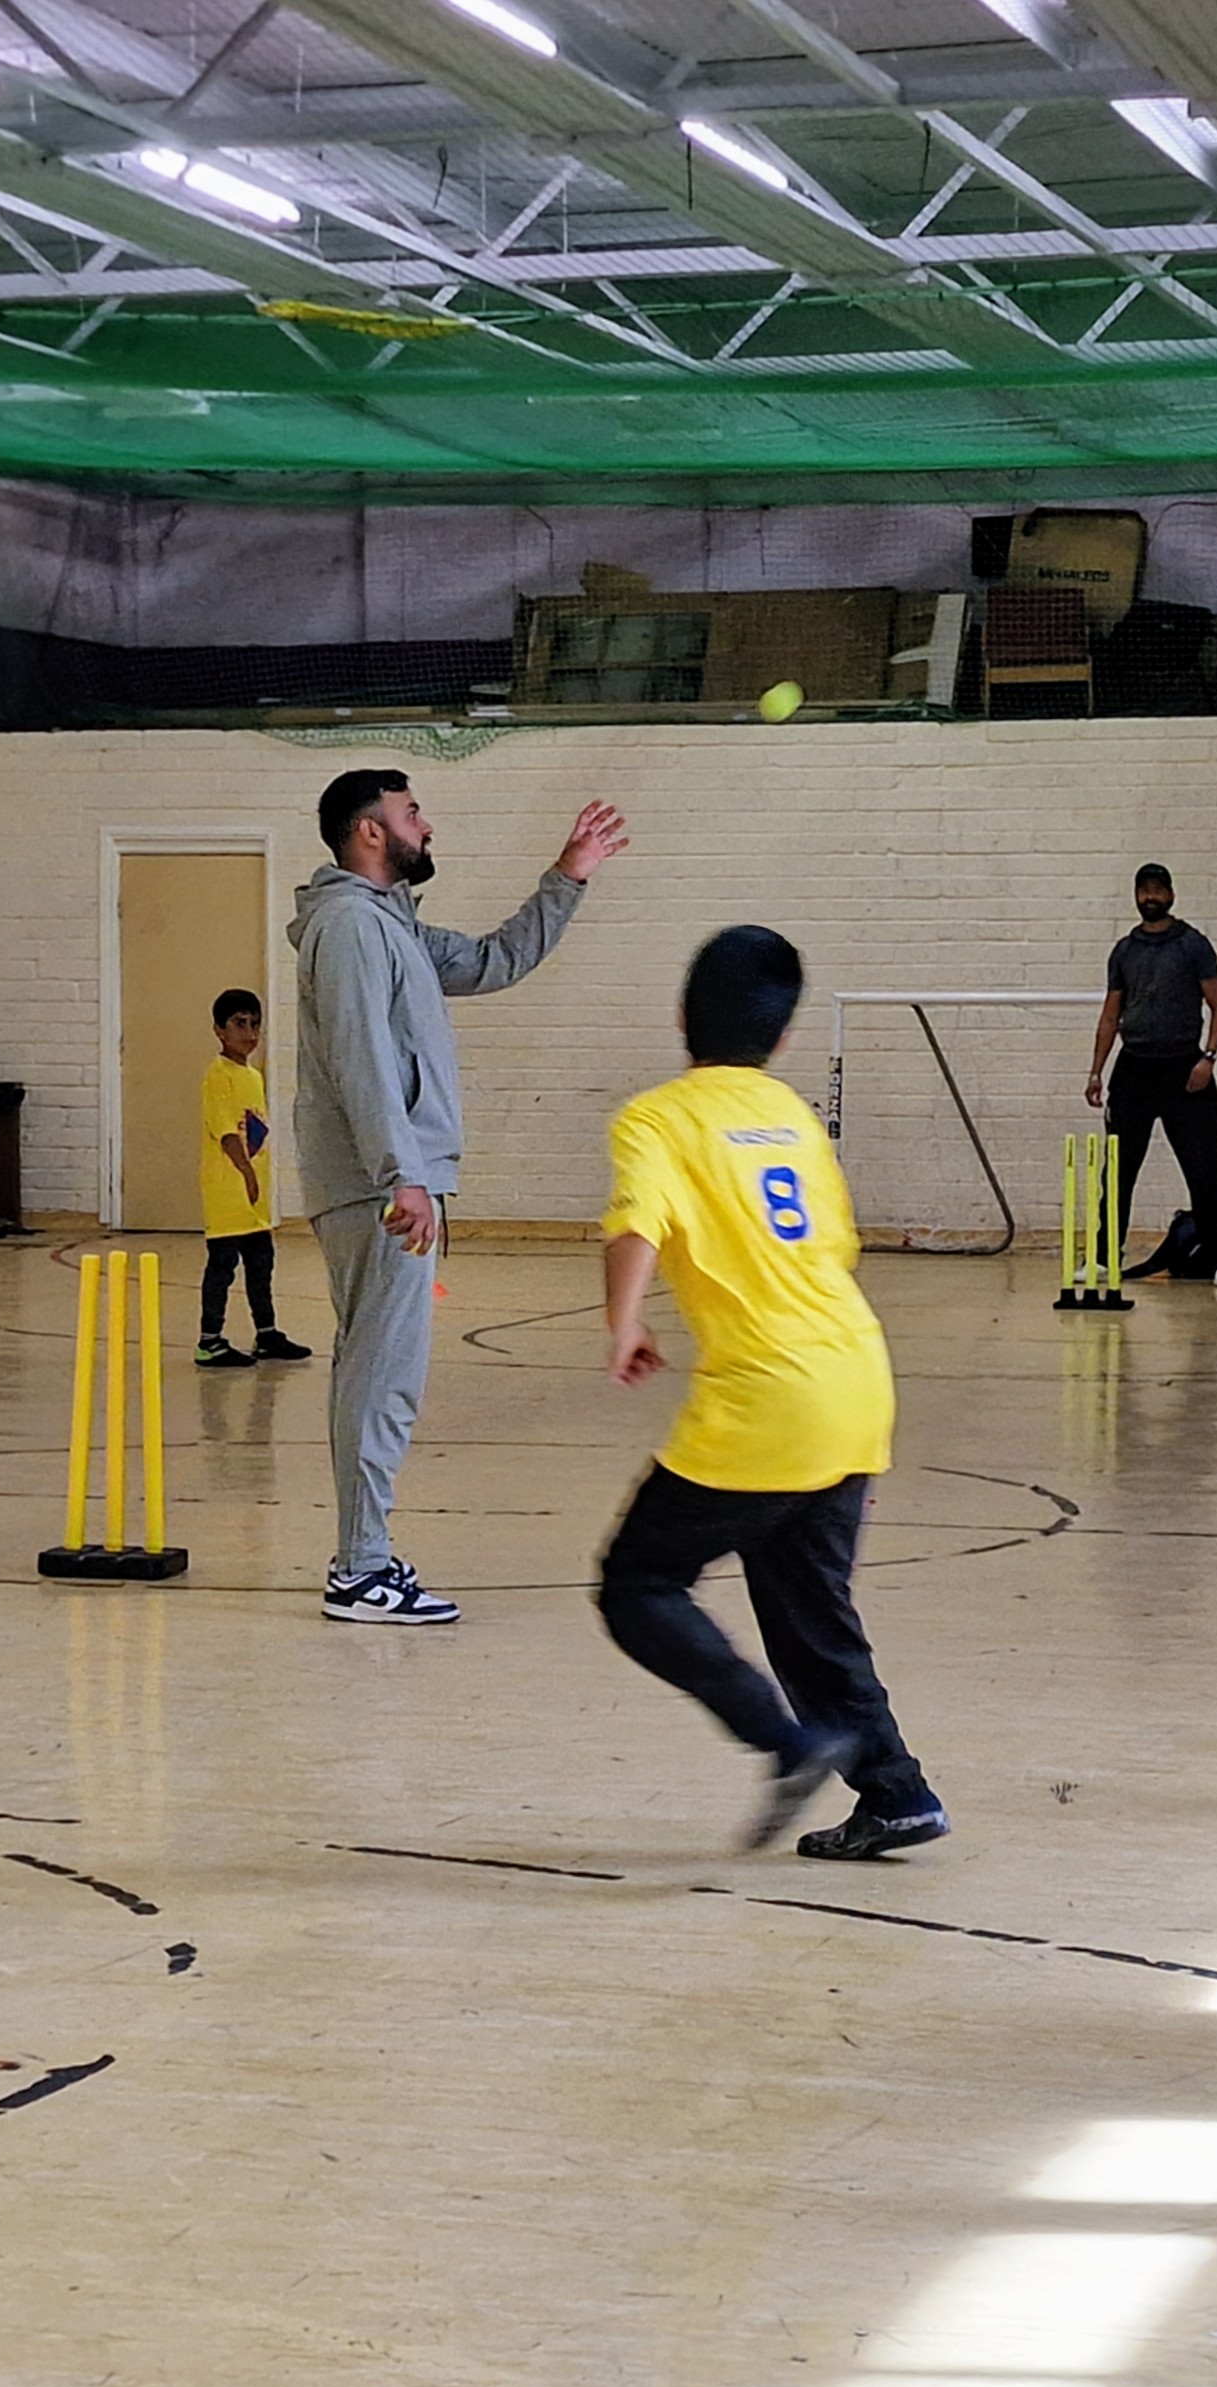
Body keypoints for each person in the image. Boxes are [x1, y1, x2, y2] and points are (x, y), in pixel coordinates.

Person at [596, 926, 947, 1861]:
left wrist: (623, 1320)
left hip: (767, 1397)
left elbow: (635, 1221)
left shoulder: (657, 1118)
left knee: (636, 1583)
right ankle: (896, 1795)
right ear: (784, 1037)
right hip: (856, 1381)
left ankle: (787, 1745)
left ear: (680, 1017)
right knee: (806, 1605)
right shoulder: (792, 1116)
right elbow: (833, 1245)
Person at [293, 767, 627, 1625]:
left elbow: (492, 960)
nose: (426, 825)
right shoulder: (349, 926)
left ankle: (362, 1561)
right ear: (370, 831)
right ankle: (361, 1568)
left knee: (383, 1371)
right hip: (382, 1187)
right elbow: (361, 1056)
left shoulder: (391, 927)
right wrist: (398, 1172)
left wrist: (567, 877)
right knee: (383, 1376)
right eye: (412, 814)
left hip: (396, 1181)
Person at [1081, 862, 1217, 1279]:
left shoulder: (1193, 945)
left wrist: (1208, 1058)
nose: (1150, 897)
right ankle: (1102, 1257)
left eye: (1157, 890)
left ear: (1171, 894)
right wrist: (1096, 1071)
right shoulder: (1124, 951)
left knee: (1204, 1167)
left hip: (1185, 1072)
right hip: (1134, 1070)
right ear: (1136, 896)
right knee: (1117, 1171)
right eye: (1143, 891)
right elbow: (1110, 1014)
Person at [193, 987, 310, 1371]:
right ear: (219, 1030)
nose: (249, 1033)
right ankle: (209, 1340)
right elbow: (226, 1132)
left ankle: (267, 1333)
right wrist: (244, 1171)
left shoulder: (252, 1076)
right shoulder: (218, 1077)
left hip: (253, 1197)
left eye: (255, 1024)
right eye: (239, 1023)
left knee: (261, 1263)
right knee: (222, 1266)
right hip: (228, 1193)